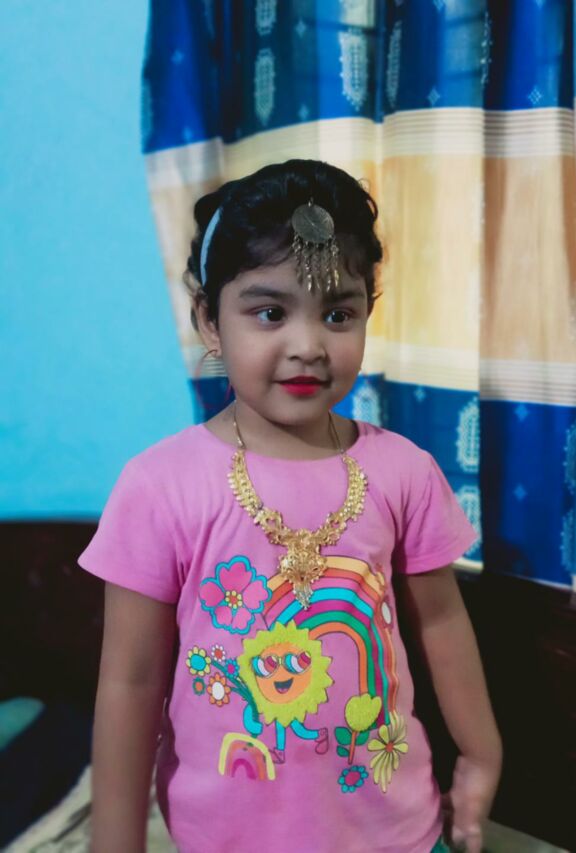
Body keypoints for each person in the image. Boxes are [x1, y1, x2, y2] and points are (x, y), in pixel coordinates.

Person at [80, 159, 501, 853]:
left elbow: (442, 623)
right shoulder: (159, 485)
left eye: (338, 313)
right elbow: (131, 681)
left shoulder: (404, 470)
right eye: (270, 313)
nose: (308, 346)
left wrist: (482, 757)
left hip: (399, 831)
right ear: (209, 321)